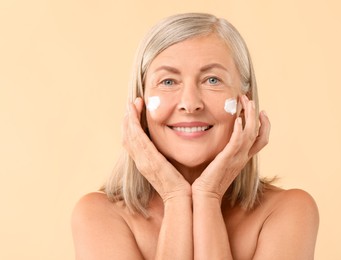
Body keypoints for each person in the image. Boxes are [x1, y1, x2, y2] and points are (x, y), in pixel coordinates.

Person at [71, 13, 319, 259]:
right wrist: (176, 197)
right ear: (140, 102)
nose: (190, 104)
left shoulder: (288, 211)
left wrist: (208, 196)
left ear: (245, 102)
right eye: (168, 82)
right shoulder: (98, 215)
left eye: (212, 80)